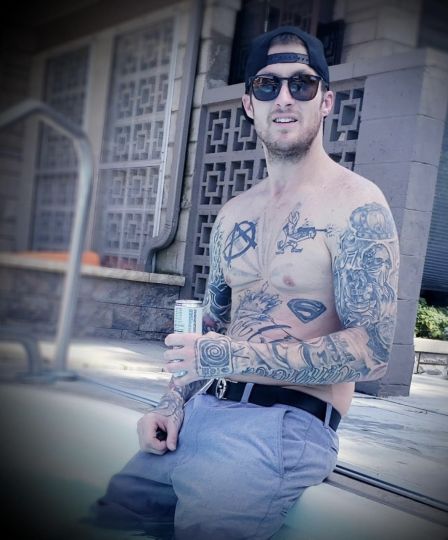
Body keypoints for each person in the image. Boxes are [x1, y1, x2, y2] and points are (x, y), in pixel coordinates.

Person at [91, 25, 399, 540]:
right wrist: (170, 405)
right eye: (268, 85)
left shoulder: (356, 205)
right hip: (203, 411)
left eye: (302, 83)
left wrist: (228, 357)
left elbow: (373, 351)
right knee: (106, 521)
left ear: (326, 101)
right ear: (249, 103)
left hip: (280, 425)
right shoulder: (234, 213)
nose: (285, 97)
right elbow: (210, 327)